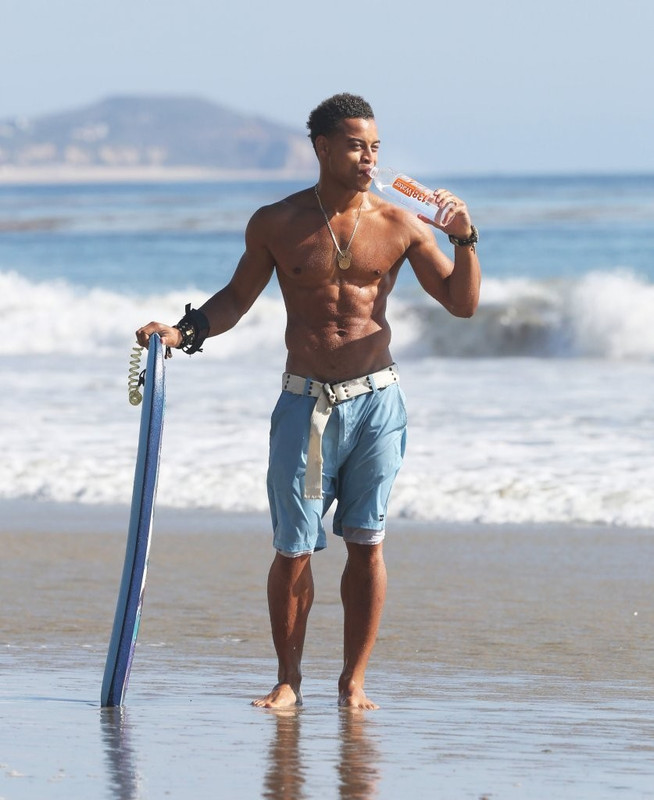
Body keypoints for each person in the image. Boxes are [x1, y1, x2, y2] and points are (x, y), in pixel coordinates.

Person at [136, 93, 481, 710]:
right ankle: (288, 680)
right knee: (294, 546)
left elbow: (462, 303)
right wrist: (183, 333)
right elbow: (237, 298)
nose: (368, 157)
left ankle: (353, 681)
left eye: (374, 146)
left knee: (367, 541)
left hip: (377, 402)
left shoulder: (401, 224)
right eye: (355, 145)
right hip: (306, 405)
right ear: (321, 147)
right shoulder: (277, 221)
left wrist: (465, 240)